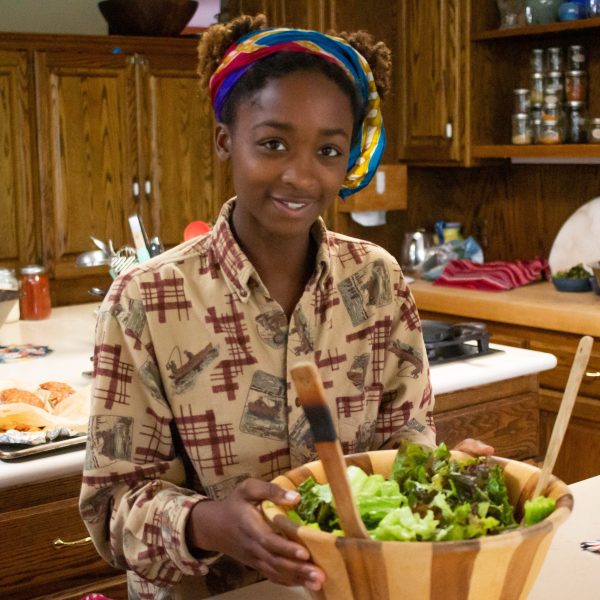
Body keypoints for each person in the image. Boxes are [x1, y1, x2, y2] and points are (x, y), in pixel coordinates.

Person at [79, 14, 491, 599]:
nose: (300, 175)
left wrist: (445, 478)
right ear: (226, 139)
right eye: (273, 143)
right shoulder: (148, 301)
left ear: (349, 160)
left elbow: (407, 448)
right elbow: (110, 508)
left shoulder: (377, 281)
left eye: (328, 150)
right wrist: (208, 524)